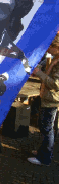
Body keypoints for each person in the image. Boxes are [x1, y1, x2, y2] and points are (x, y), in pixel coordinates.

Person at [28, 33, 59, 166]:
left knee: (47, 129)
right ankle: (44, 151)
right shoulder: (56, 58)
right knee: (45, 127)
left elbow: (56, 84)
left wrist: (38, 73)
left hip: (51, 100)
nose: (48, 49)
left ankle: (45, 158)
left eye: (50, 46)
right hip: (47, 98)